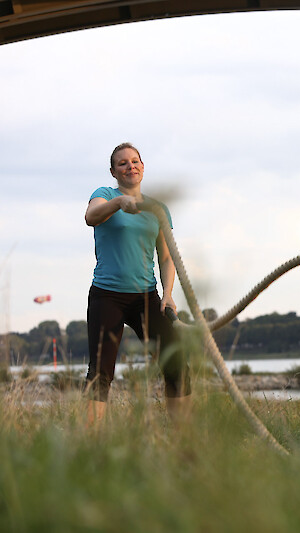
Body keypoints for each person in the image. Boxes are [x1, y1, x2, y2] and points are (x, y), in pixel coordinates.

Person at [84, 142, 191, 424]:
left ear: (142, 167)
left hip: (146, 296)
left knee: (177, 364)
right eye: (122, 163)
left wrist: (168, 294)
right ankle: (91, 446)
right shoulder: (104, 195)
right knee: (101, 371)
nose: (130, 166)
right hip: (107, 296)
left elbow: (167, 258)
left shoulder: (158, 209)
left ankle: (186, 442)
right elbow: (90, 217)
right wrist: (119, 203)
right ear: (113, 172)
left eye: (135, 161)